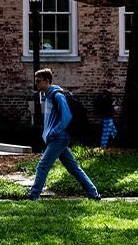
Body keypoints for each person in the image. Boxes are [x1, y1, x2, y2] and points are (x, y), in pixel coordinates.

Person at [27, 68, 101, 201]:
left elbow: (66, 117)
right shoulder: (47, 97)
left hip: (59, 138)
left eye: (38, 81)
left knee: (43, 165)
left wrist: (54, 132)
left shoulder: (57, 96)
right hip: (56, 139)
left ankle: (33, 195)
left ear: (47, 81)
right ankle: (93, 194)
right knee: (73, 168)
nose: (36, 84)